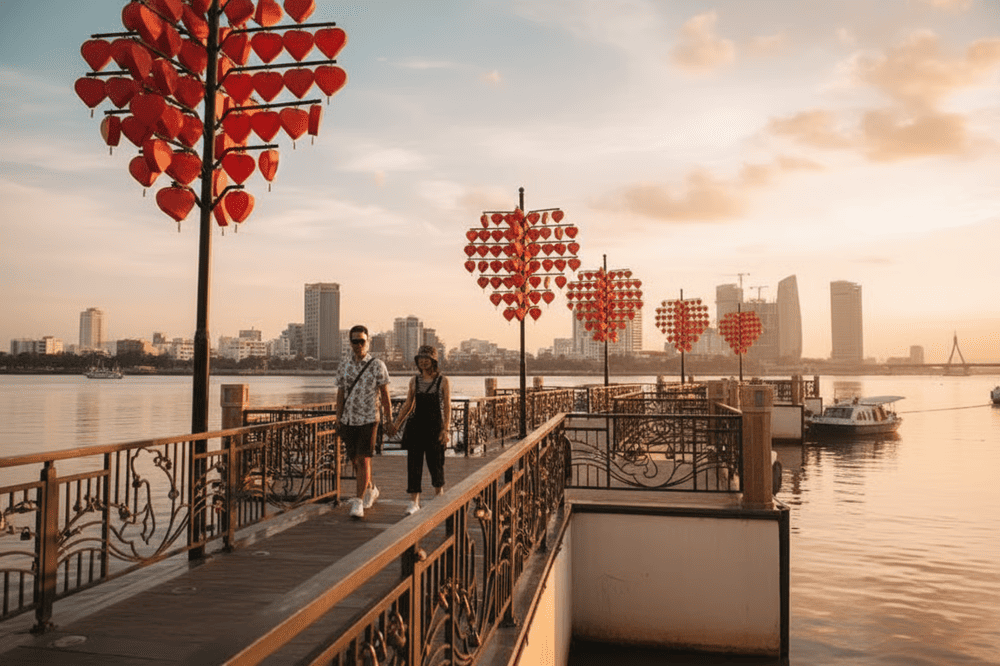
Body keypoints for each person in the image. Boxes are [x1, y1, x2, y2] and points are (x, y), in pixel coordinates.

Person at [335, 325, 392, 519]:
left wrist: (389, 418)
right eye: (355, 341)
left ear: (368, 342)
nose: (359, 344)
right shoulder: (344, 365)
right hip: (348, 418)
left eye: (362, 341)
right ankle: (372, 489)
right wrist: (338, 417)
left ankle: (358, 502)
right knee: (354, 459)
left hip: (369, 418)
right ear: (350, 343)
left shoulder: (377, 365)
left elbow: (385, 394)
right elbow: (341, 392)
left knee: (363, 458)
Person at [388, 345, 451, 515]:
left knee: (436, 462)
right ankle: (414, 501)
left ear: (434, 360)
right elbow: (408, 405)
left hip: (435, 427)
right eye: (420, 358)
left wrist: (446, 429)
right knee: (414, 463)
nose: (423, 361)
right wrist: (397, 423)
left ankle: (439, 496)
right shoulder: (414, 381)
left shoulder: (443, 381)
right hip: (416, 426)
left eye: (427, 358)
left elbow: (447, 406)